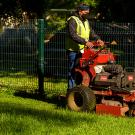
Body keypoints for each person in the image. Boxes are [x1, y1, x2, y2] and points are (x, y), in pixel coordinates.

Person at [66, 3, 104, 90]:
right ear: (80, 11)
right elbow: (73, 35)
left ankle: (81, 90)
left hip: (84, 51)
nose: (87, 13)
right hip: (73, 50)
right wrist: (85, 42)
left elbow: (91, 32)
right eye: (85, 12)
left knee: (83, 70)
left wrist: (98, 39)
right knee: (73, 71)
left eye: (88, 12)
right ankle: (71, 92)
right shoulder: (72, 20)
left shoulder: (86, 21)